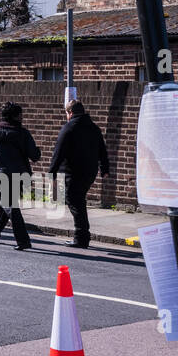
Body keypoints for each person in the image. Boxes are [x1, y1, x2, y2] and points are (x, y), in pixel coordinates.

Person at [0, 102, 41, 250]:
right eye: (20, 114)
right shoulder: (23, 133)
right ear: (15, 116)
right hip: (20, 175)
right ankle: (23, 240)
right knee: (11, 205)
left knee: (8, 205)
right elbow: (34, 156)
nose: (22, 117)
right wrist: (37, 151)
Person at [49, 99, 110, 248]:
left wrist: (52, 173)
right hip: (90, 172)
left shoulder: (69, 128)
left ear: (70, 112)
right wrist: (105, 169)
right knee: (78, 200)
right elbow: (102, 149)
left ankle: (81, 237)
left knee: (74, 201)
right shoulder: (94, 128)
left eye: (67, 113)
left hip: (73, 172)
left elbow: (58, 153)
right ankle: (82, 236)